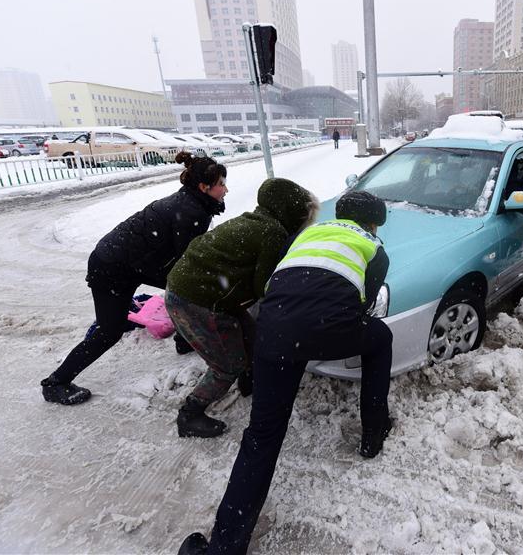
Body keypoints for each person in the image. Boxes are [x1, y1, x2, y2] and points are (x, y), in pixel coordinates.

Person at [178, 191, 393, 555]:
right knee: (380, 338)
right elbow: (365, 305)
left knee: (262, 437)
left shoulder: (305, 236)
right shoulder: (375, 248)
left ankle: (225, 547)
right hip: (328, 328)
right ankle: (373, 430)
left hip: (274, 332)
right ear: (372, 224)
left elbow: (276, 285)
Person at [40, 152, 228, 405]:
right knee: (110, 331)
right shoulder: (192, 211)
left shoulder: (193, 203)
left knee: (186, 288)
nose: (226, 190)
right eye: (221, 184)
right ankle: (56, 383)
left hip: (131, 263)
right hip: (111, 268)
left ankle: (184, 340)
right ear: (204, 187)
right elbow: (187, 265)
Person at [165, 178, 319, 438]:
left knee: (252, 335)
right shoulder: (273, 233)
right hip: (197, 300)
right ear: (293, 214)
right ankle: (190, 414)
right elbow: (265, 288)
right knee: (226, 365)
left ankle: (250, 380)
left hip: (199, 291)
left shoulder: (256, 220)